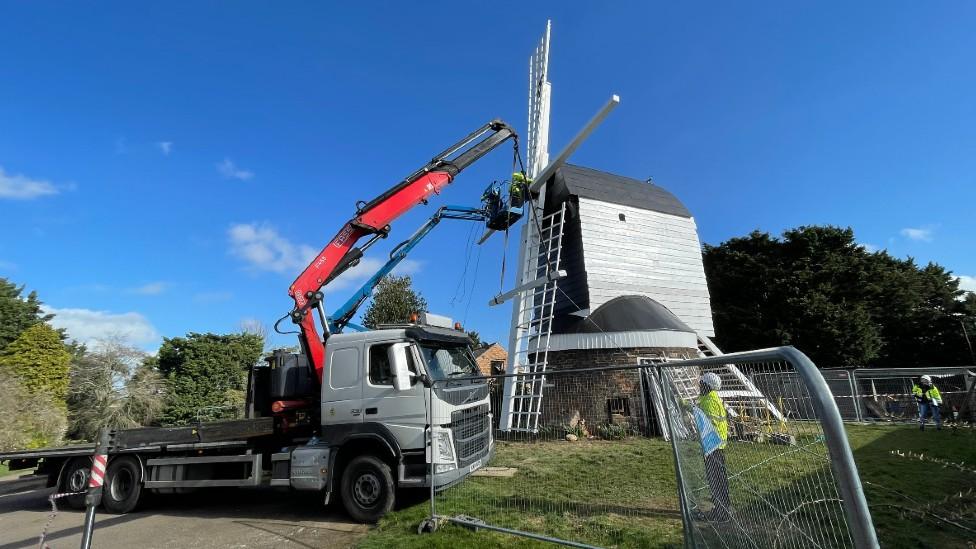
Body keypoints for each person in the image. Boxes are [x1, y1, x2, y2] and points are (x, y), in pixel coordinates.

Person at [698, 372, 732, 521]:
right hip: (717, 446)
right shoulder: (711, 398)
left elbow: (709, 424)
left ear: (707, 386)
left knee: (716, 481)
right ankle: (721, 509)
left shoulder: (709, 401)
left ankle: (721, 513)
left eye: (702, 383)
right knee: (719, 480)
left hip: (713, 447)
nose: (699, 385)